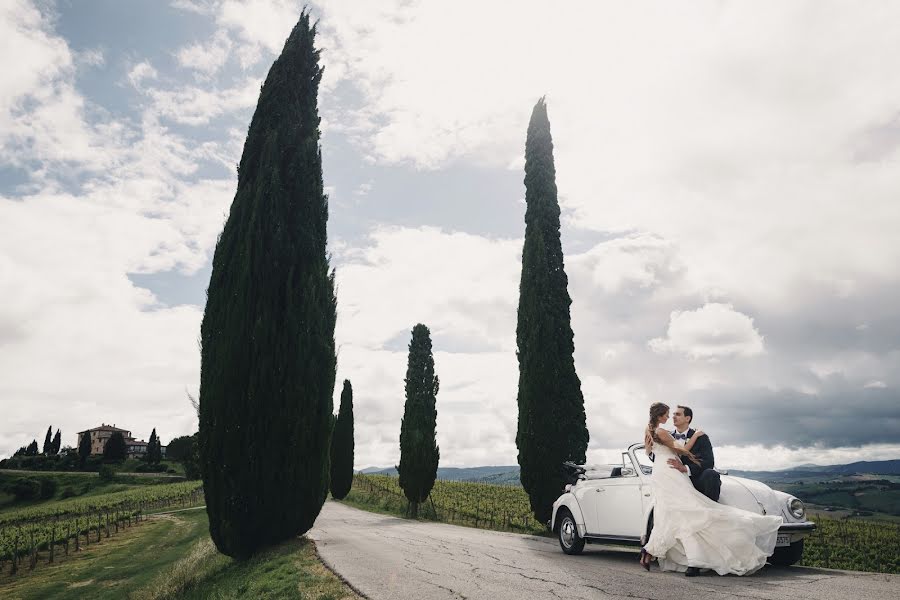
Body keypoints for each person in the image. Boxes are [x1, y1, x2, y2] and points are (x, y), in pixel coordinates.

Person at [639, 402, 782, 576]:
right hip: (670, 474)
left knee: (672, 514)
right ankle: (689, 559)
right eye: (670, 414)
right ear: (660, 415)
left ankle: (650, 552)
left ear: (688, 418)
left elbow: (707, 462)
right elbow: (677, 451)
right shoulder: (664, 432)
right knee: (685, 514)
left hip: (673, 475)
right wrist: (685, 455)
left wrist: (687, 467)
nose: (672, 417)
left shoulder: (655, 431)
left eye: (676, 414)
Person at [667, 405, 721, 502]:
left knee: (711, 474)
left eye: (678, 414)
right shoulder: (666, 436)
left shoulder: (701, 437)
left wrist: (686, 468)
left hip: (694, 479)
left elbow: (709, 462)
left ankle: (711, 510)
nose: (674, 417)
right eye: (674, 414)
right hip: (672, 479)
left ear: (687, 418)